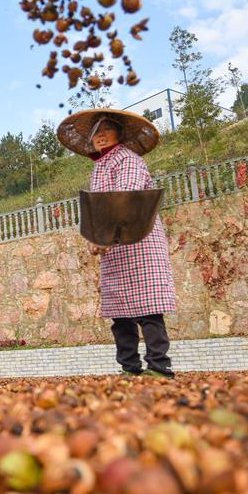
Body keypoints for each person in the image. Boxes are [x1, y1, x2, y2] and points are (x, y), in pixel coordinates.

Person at [57, 109, 177, 378]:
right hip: (114, 249)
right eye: (95, 132)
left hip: (139, 241)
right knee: (120, 312)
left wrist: (108, 236)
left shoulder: (128, 160)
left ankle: (159, 366)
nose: (100, 136)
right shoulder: (100, 166)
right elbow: (98, 209)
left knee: (148, 308)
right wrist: (95, 238)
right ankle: (129, 367)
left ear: (120, 134)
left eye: (106, 130)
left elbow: (126, 198)